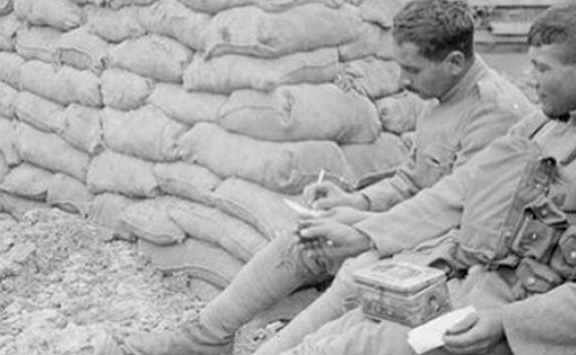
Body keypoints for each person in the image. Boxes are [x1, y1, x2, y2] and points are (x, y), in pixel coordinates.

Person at [95, 1, 533, 354]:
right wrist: (352, 203)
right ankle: (204, 338)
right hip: (411, 226)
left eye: (413, 71)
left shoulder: (494, 113)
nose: (402, 81)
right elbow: (409, 181)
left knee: (358, 272)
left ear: (455, 61)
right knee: (303, 237)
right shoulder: (440, 96)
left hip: (456, 245)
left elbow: (455, 211)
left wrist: (361, 230)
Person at [268, 1, 576, 354]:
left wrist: (507, 323)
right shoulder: (538, 129)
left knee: (356, 347)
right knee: (337, 332)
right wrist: (366, 232)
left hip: (505, 324)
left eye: (541, 69)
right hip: (463, 290)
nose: (530, 80)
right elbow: (458, 192)